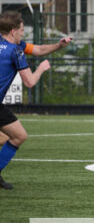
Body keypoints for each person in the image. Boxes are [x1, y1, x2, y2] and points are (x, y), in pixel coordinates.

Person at [0, 10, 72, 190]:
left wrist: (59, 45)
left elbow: (38, 49)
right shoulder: (15, 51)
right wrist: (41, 68)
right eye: (22, 30)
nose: (23, 34)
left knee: (10, 136)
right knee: (18, 136)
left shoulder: (14, 45)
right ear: (13, 31)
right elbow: (30, 82)